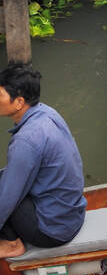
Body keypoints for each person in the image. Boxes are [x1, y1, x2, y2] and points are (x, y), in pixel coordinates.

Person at [0, 62, 87, 259]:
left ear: (19, 102)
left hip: (52, 232)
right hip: (72, 215)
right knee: (5, 178)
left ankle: (12, 245)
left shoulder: (26, 140)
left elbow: (7, 199)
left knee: (4, 191)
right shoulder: (46, 112)